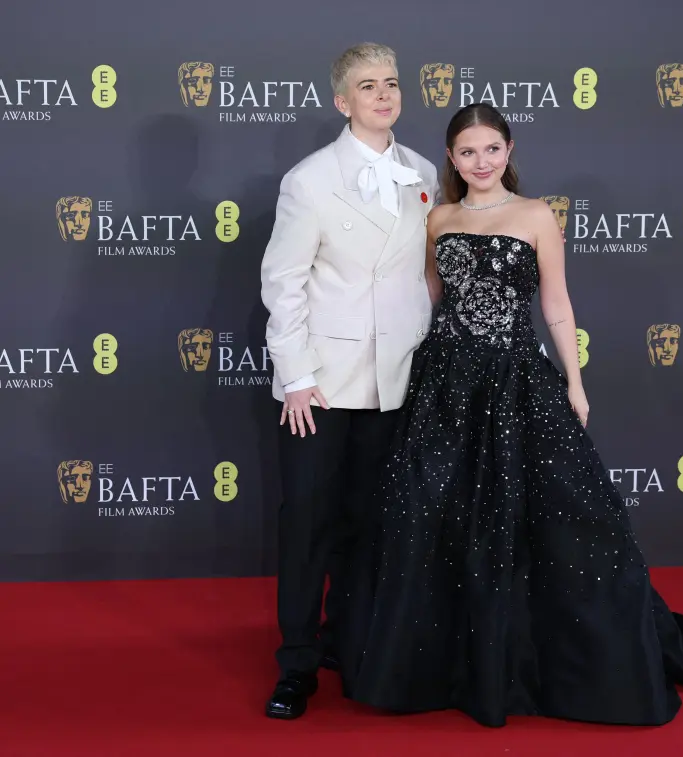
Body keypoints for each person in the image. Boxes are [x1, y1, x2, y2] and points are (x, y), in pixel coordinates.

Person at [342, 103, 683, 728]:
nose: (481, 162)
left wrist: (575, 383)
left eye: (492, 149)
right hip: (445, 383)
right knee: (432, 517)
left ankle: (539, 661)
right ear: (450, 158)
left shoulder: (535, 216)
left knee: (556, 521)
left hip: (515, 380)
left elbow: (555, 303)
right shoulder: (436, 217)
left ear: (509, 151)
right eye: (468, 152)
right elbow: (426, 300)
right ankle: (443, 665)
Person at [258, 42, 438, 720]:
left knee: (371, 523)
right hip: (323, 386)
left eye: (391, 83)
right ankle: (297, 662)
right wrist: (297, 377)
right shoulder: (309, 180)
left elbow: (425, 273)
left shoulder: (423, 171)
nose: (384, 96)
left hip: (395, 380)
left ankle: (354, 644)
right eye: (369, 87)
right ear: (343, 101)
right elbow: (284, 283)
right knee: (307, 522)